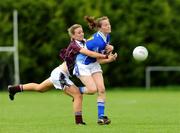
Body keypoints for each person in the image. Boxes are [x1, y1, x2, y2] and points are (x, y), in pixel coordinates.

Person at [8, 24, 109, 125]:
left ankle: (13, 89)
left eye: (82, 31)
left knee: (40, 88)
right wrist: (104, 55)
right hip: (60, 75)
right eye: (78, 33)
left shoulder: (84, 42)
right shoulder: (75, 45)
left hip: (59, 73)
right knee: (77, 95)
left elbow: (93, 59)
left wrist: (108, 51)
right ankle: (79, 122)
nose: (82, 33)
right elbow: (91, 54)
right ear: (72, 36)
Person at [73, 16, 117, 125]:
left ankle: (101, 117)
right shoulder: (97, 41)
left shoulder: (106, 37)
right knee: (92, 90)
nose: (109, 26)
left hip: (93, 64)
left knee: (101, 89)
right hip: (83, 64)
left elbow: (98, 59)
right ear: (100, 28)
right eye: (106, 25)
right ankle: (76, 91)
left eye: (109, 24)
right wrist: (108, 58)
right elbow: (99, 59)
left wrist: (109, 50)